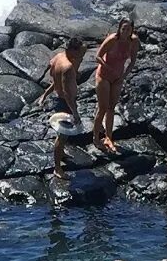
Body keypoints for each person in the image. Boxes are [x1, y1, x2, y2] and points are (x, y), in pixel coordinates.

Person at [93, 19, 139, 151]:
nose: (125, 32)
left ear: (132, 30)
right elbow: (98, 56)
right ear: (119, 29)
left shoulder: (134, 41)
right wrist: (107, 67)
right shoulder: (112, 39)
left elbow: (133, 61)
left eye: (128, 29)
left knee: (111, 108)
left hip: (118, 78)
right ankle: (96, 138)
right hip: (104, 76)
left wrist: (123, 76)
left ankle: (108, 137)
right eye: (123, 29)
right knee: (103, 107)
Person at [43, 35, 85, 175]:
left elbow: (53, 75)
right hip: (65, 103)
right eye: (79, 52)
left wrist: (45, 94)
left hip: (59, 99)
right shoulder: (67, 67)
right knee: (61, 137)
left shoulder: (59, 57)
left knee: (63, 135)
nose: (81, 55)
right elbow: (67, 93)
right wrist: (75, 112)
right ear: (73, 51)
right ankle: (57, 168)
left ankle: (61, 155)